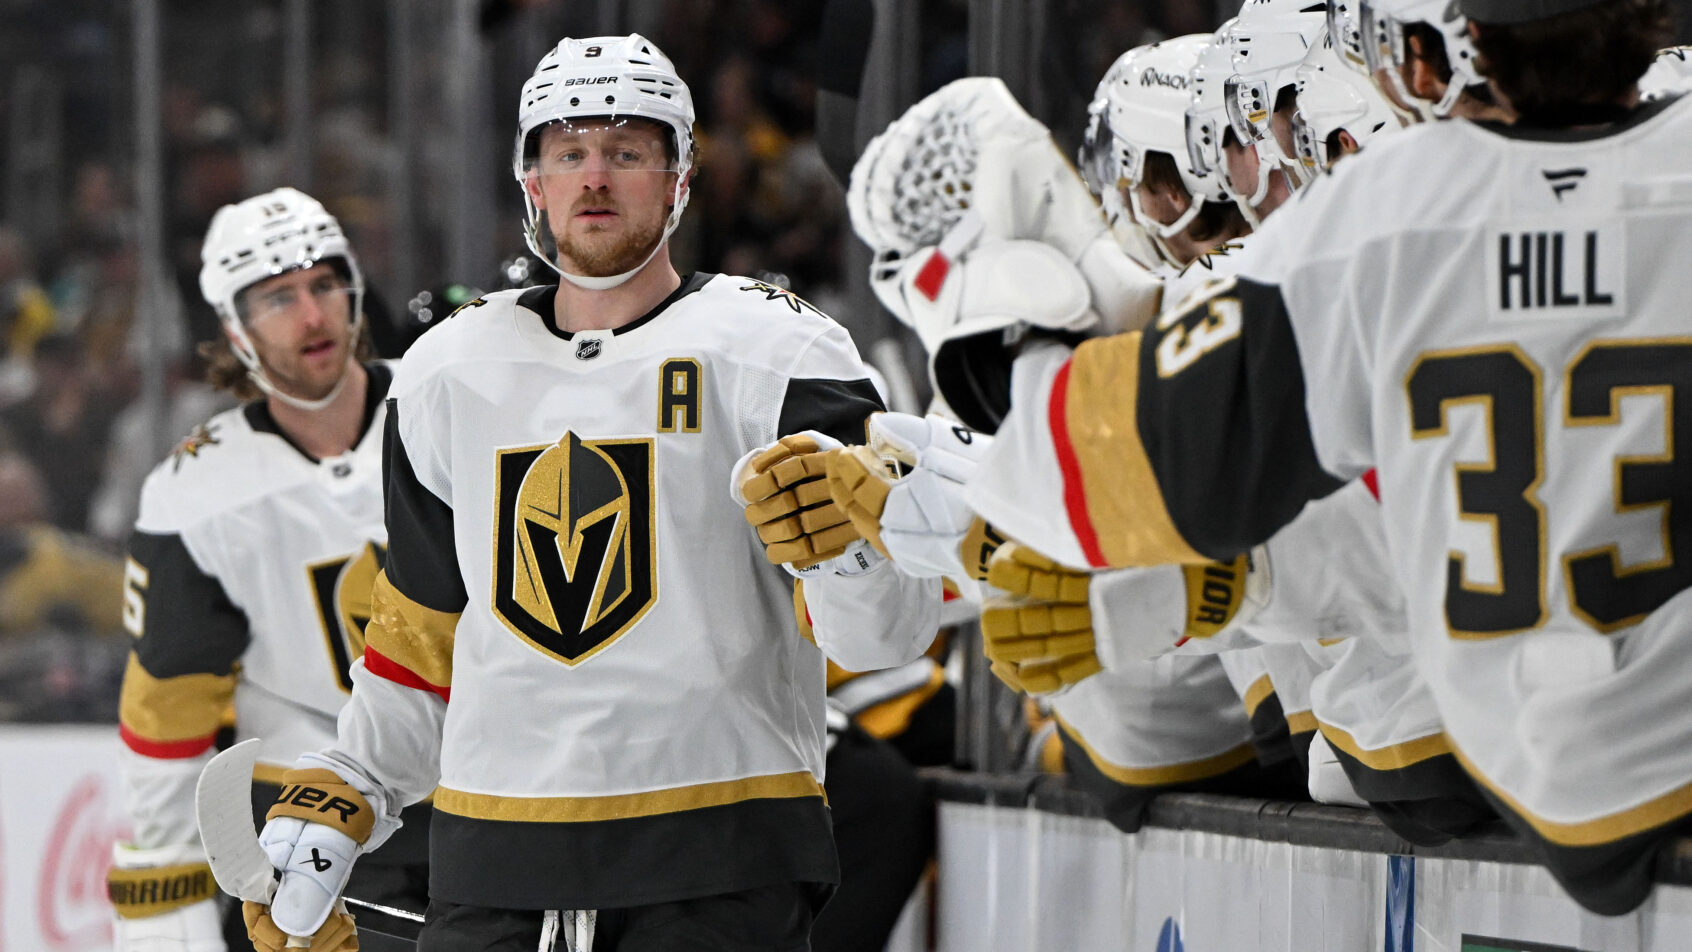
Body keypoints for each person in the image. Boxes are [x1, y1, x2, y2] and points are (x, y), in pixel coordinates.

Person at [962, 0, 1689, 916]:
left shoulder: (1384, 215)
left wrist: (1025, 313)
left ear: (1423, 62)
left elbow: (1086, 473)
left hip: (1510, 763)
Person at [234, 34, 938, 952]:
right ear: (533, 181)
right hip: (493, 863)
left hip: (719, 865)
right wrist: (352, 785)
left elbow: (886, 635)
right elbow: (418, 642)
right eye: (568, 152)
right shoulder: (449, 371)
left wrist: (847, 553)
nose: (594, 178)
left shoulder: (780, 353)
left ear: (680, 176)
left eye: (627, 151)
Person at [106, 187, 430, 951]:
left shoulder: (443, 404)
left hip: (485, 803)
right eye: (278, 298)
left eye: (324, 283)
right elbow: (168, 721)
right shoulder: (195, 495)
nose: (312, 316)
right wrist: (162, 900)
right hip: (308, 833)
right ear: (234, 330)